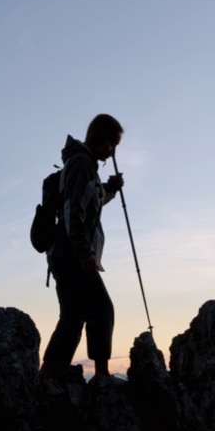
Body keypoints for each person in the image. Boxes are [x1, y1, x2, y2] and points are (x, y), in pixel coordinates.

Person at [39, 113, 125, 385]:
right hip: (72, 254)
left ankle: (48, 376)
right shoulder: (82, 163)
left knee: (72, 317)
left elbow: (88, 203)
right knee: (101, 309)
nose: (112, 152)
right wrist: (84, 251)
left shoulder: (80, 164)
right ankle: (101, 375)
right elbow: (73, 209)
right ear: (101, 139)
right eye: (112, 144)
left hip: (61, 254)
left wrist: (109, 189)